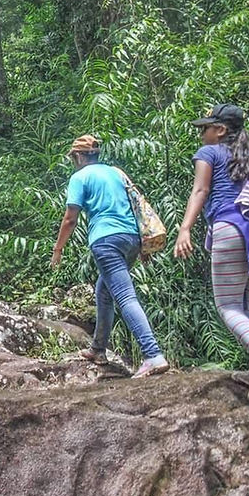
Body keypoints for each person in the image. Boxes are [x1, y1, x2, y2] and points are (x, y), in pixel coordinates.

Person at [51, 135, 169, 378]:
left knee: (125, 297)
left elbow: (70, 218)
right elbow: (136, 205)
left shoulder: (80, 177)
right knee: (104, 292)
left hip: (106, 240)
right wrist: (143, 246)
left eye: (74, 157)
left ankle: (153, 355)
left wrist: (58, 249)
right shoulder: (116, 172)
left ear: (79, 156)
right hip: (131, 239)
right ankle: (98, 349)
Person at [174, 104, 249, 400]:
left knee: (228, 305)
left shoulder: (209, 154)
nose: (201, 133)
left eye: (205, 127)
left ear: (221, 130)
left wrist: (185, 228)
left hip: (230, 229)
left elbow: (200, 191)